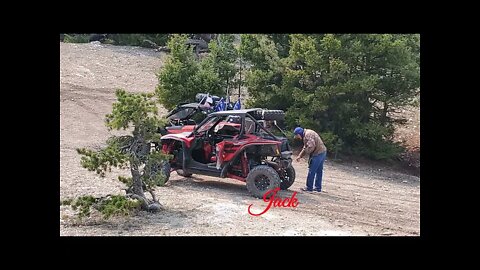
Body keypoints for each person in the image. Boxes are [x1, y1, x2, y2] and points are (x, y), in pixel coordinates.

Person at [294, 127, 327, 192]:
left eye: (297, 135)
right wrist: (300, 156)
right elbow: (305, 146)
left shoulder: (307, 135)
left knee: (312, 170)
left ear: (299, 133)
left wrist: (308, 154)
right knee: (319, 171)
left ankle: (309, 188)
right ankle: (318, 188)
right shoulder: (307, 133)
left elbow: (311, 146)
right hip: (323, 152)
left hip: (317, 153)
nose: (297, 137)